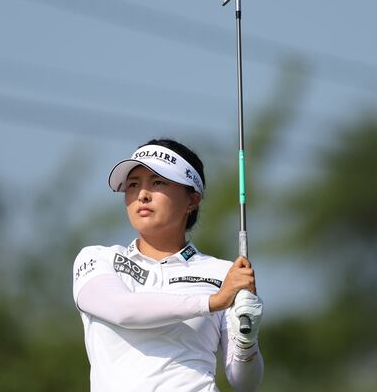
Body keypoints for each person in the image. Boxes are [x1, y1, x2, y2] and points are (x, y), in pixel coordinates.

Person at [72, 138, 264, 392]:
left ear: (192, 200)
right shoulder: (98, 258)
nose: (142, 195)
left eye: (158, 182)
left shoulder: (224, 274)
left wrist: (247, 340)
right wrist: (212, 301)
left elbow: (244, 382)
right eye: (133, 184)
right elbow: (122, 310)